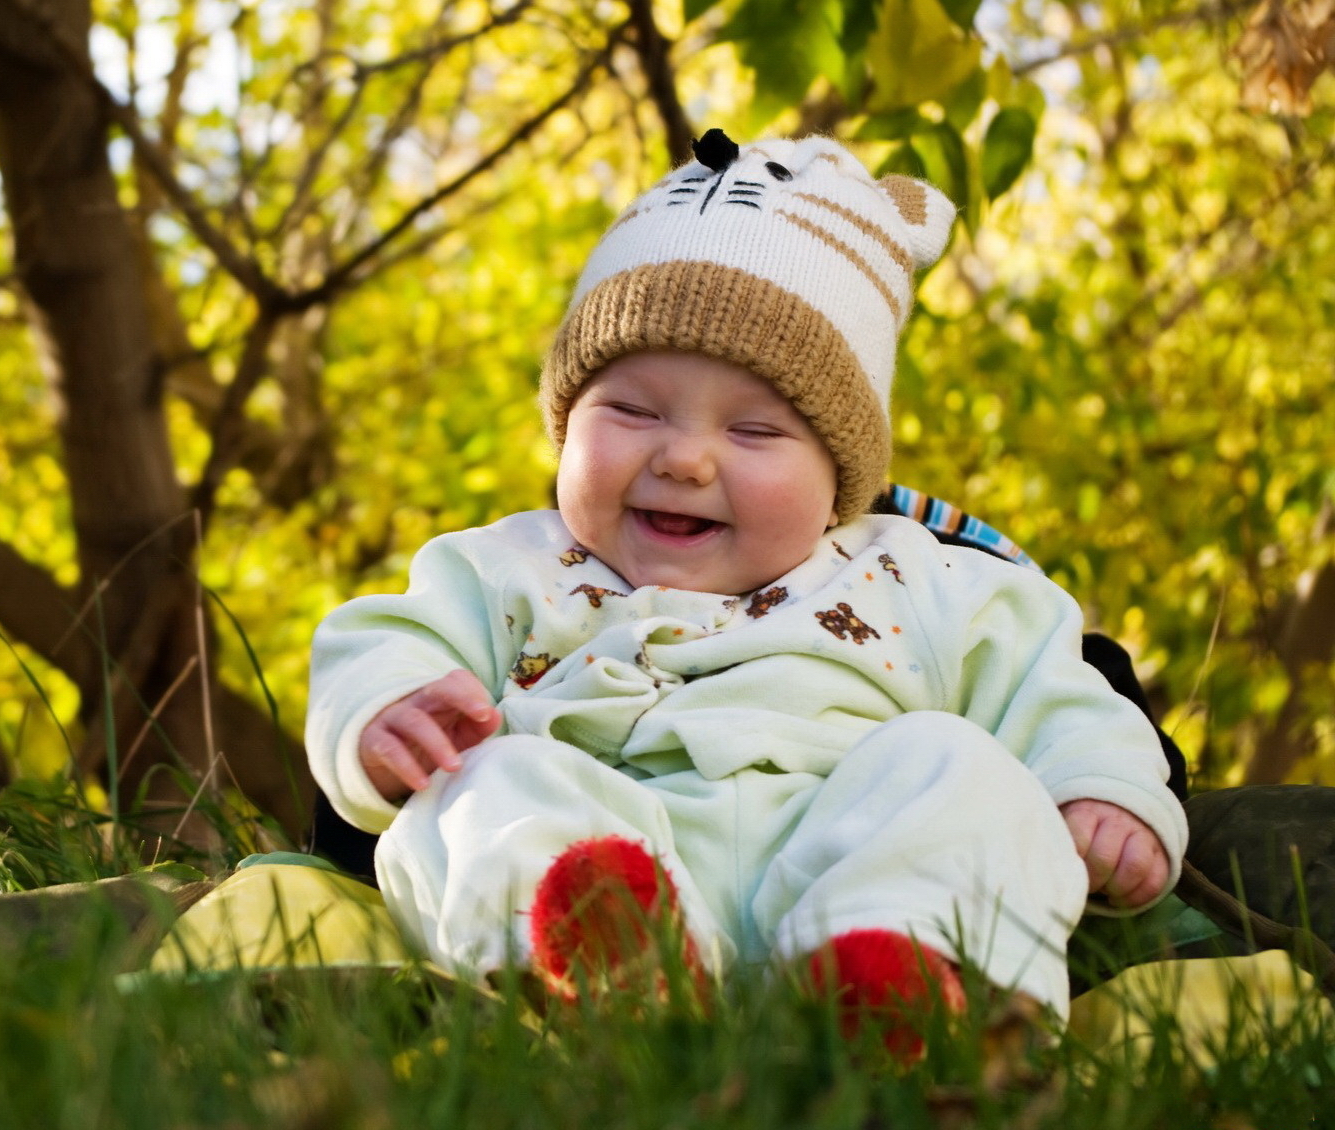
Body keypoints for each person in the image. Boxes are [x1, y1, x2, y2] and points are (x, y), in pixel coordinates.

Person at [303, 131, 1187, 1031]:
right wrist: (386, 710)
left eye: (756, 433)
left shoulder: (924, 579)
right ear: (566, 427)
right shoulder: (505, 567)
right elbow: (384, 639)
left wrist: (1103, 795)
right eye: (632, 410)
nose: (683, 457)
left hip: (845, 859)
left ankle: (896, 979)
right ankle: (598, 959)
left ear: (839, 475)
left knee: (959, 768)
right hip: (605, 842)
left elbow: (1059, 690)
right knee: (479, 786)